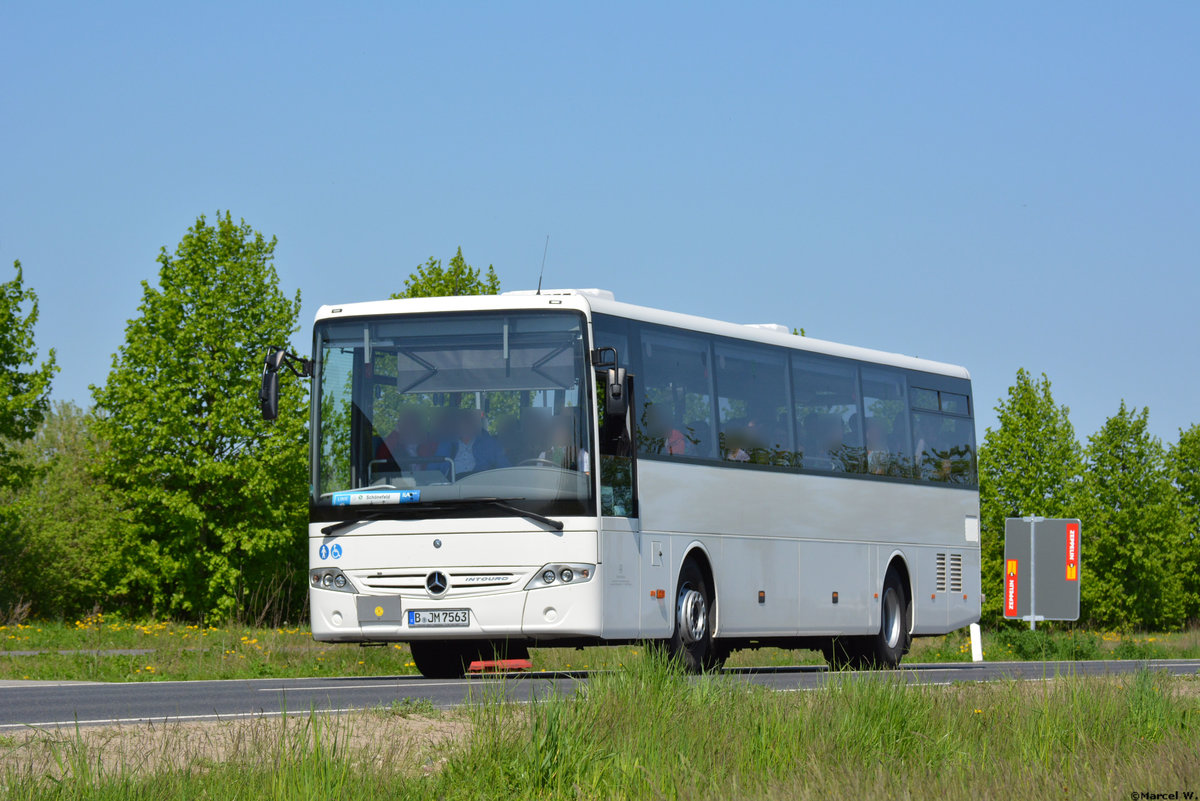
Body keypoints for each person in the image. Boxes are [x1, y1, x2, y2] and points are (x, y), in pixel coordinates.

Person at [451, 407, 510, 476]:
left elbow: (505, 468)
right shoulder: (447, 444)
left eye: (469, 421)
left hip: (480, 482)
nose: (466, 425)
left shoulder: (489, 444)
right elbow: (438, 467)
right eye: (462, 421)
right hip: (451, 484)